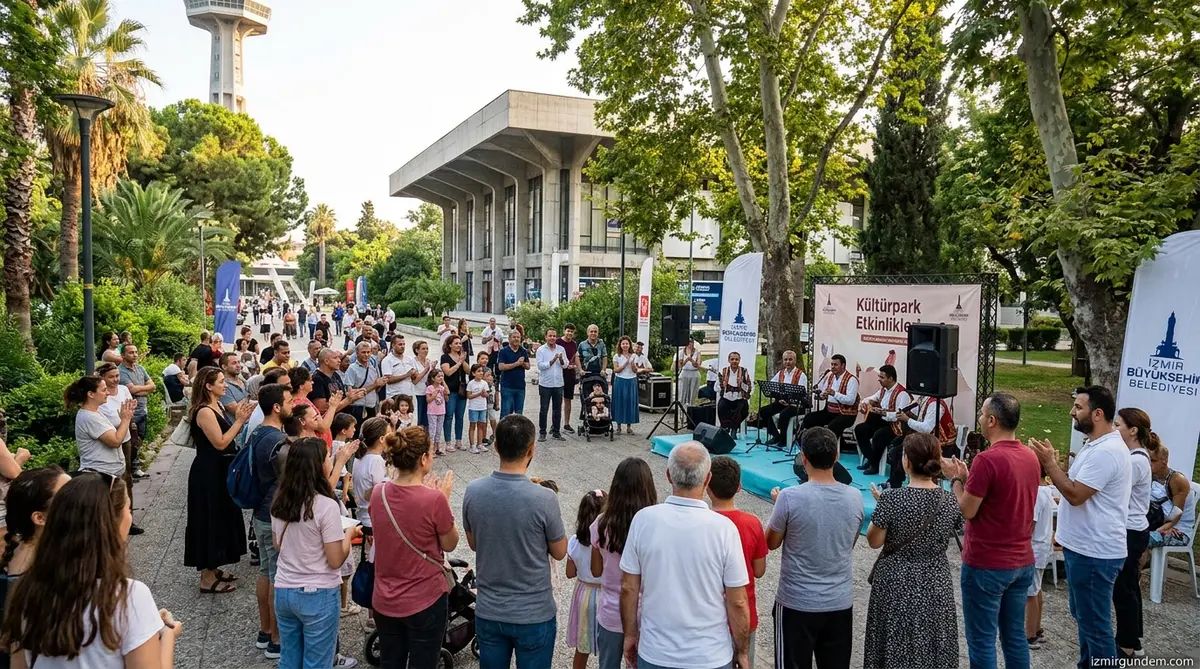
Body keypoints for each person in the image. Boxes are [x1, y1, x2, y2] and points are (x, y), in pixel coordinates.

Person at [1, 472, 183, 668]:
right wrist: (167, 635)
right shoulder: (129, 597)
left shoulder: (26, 593)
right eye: (128, 510)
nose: (131, 517)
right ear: (111, 525)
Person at [620, 442, 750, 669]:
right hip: (710, 655)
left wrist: (630, 634)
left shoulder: (643, 520)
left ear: (669, 476)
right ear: (707, 479)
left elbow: (628, 588)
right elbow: (737, 600)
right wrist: (742, 650)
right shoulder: (724, 528)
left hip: (656, 652)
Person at [1028, 385, 1131, 669]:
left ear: (1097, 414)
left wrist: (1049, 464)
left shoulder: (1107, 451)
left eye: (1078, 407)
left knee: (1095, 625)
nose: (1072, 411)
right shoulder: (1094, 445)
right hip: (1082, 547)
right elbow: (1075, 490)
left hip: (1095, 552)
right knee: (1084, 616)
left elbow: (1075, 495)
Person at [941, 392, 1039, 669]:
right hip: (1022, 560)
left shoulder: (987, 460)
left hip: (988, 562)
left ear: (993, 420)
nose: (980, 419)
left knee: (982, 640)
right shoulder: (1030, 457)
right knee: (1014, 637)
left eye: (983, 415)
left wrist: (957, 479)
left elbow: (967, 510)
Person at [462, 414, 566, 668]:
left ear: (495, 446)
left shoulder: (473, 491)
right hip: (534, 611)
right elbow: (560, 551)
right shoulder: (544, 498)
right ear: (532, 449)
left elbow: (474, 543)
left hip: (490, 608)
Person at [766, 426, 863, 669]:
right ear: (837, 457)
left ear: (803, 458)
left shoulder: (789, 497)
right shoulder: (855, 497)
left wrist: (780, 509)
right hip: (839, 602)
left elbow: (771, 542)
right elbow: (847, 544)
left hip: (797, 602)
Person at [863, 433, 963, 669]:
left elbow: (874, 541)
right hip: (935, 579)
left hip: (895, 578)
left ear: (906, 461)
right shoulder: (949, 501)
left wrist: (882, 508)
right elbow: (954, 525)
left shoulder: (892, 499)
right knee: (932, 639)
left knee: (893, 638)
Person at [271, 437, 363, 669]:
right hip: (317, 593)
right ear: (319, 466)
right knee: (318, 662)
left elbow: (278, 545)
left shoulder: (280, 501)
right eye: (327, 458)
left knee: (289, 659)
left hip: (284, 589)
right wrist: (349, 535)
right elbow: (334, 560)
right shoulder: (325, 506)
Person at [371, 426, 458, 669]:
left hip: (385, 596)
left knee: (390, 660)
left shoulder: (379, 493)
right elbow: (450, 544)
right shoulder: (434, 499)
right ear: (422, 459)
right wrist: (444, 499)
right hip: (424, 598)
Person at [185, 367, 253, 594]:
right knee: (208, 519)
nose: (226, 385)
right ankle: (206, 576)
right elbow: (220, 442)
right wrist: (240, 421)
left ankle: (213, 566)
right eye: (221, 382)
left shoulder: (219, 405)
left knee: (221, 517)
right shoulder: (204, 411)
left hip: (221, 468)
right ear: (208, 385)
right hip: (208, 472)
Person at [590, 458, 657, 669]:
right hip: (648, 612)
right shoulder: (655, 525)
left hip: (611, 610)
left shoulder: (601, 524)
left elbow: (595, 570)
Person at [707, 456, 768, 669]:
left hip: (708, 616)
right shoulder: (752, 523)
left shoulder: (701, 523)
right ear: (739, 487)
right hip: (744, 614)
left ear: (707, 486)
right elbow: (759, 570)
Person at [248, 383, 292, 660]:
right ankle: (276, 639)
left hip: (260, 514)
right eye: (288, 401)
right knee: (277, 576)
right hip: (275, 513)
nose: (292, 404)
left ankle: (265, 631)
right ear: (277, 407)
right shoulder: (278, 440)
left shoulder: (256, 432)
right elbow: (288, 481)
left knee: (266, 571)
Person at [1112, 407, 1156, 658]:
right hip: (1133, 529)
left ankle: (1127, 644)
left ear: (1133, 430)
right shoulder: (1136, 457)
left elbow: (1116, 490)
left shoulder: (1136, 460)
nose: (1115, 429)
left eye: (1118, 425)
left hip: (1130, 530)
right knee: (1130, 586)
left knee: (1123, 589)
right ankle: (1135, 638)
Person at [65, 376, 135, 520]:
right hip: (101, 476)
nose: (108, 392)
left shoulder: (96, 411)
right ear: (91, 394)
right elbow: (115, 441)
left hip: (109, 474)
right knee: (107, 520)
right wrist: (126, 419)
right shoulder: (89, 417)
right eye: (103, 390)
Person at [1, 466, 70, 584]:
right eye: (68, 497)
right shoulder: (41, 575)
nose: (80, 499)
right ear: (39, 518)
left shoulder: (18, 550)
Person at [879, 392, 956, 491]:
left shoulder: (935, 404)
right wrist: (885, 413)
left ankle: (902, 484)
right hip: (928, 440)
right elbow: (910, 412)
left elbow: (927, 428)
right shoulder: (923, 398)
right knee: (897, 448)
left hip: (942, 445)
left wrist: (907, 419)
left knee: (902, 451)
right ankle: (894, 483)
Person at [563, 489, 605, 669]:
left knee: (582, 645)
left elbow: (570, 573)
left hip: (584, 594)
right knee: (608, 646)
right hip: (605, 594)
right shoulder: (609, 542)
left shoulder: (574, 541)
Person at [95, 363, 138, 531]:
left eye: (117, 376)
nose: (115, 380)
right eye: (111, 377)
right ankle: (112, 520)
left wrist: (130, 423)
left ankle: (129, 517)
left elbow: (129, 412)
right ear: (102, 378)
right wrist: (124, 419)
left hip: (125, 437)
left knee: (126, 476)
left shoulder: (123, 390)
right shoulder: (101, 398)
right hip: (111, 438)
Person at [854, 365, 910, 475]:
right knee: (860, 429)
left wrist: (883, 412)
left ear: (891, 379)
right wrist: (865, 403)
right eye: (879, 376)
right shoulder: (883, 390)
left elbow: (899, 416)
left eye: (882, 377)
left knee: (879, 436)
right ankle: (871, 459)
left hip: (896, 427)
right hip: (882, 422)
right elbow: (870, 398)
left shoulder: (902, 394)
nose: (879, 379)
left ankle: (874, 466)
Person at [800, 354, 859, 450]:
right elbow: (824, 391)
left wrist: (834, 394)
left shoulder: (852, 380)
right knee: (809, 418)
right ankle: (813, 445)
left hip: (846, 414)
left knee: (832, 427)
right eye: (832, 364)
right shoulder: (830, 376)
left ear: (843, 366)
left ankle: (829, 450)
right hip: (830, 411)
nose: (832, 367)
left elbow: (851, 401)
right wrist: (823, 396)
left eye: (835, 365)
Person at [1025, 472, 1055, 651]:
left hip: (1034, 546)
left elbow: (1031, 524)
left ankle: (1030, 634)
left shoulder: (1036, 492)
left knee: (1030, 593)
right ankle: (1036, 628)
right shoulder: (1046, 490)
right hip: (1043, 545)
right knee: (1037, 590)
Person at [117, 345, 155, 481]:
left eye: (136, 352)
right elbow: (132, 390)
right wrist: (144, 390)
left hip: (143, 409)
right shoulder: (120, 371)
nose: (135, 354)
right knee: (131, 442)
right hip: (131, 413)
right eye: (131, 352)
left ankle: (136, 468)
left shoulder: (140, 368)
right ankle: (129, 471)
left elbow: (153, 386)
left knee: (139, 439)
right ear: (123, 355)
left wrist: (141, 390)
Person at [1148, 445, 1195, 549]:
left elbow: (1176, 513)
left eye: (1153, 461)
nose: (1149, 463)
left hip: (1179, 530)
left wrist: (1163, 529)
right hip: (1157, 524)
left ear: (1164, 461)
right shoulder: (1149, 475)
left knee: (1142, 540)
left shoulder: (1177, 480)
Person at [758, 350, 808, 447]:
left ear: (795, 361)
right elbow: (771, 386)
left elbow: (802, 394)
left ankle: (784, 439)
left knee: (784, 414)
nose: (787, 362)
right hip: (782, 403)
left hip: (796, 405)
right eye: (785, 360)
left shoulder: (801, 375)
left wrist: (790, 400)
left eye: (790, 359)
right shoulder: (780, 373)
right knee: (763, 411)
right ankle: (775, 435)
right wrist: (779, 397)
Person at [535, 328, 568, 441]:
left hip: (558, 383)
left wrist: (562, 360)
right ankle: (542, 432)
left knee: (557, 409)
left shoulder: (561, 349)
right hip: (545, 384)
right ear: (546, 337)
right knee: (544, 409)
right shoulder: (541, 350)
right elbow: (541, 366)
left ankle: (556, 431)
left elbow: (565, 365)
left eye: (554, 336)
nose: (552, 338)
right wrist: (553, 360)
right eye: (550, 336)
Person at [437, 335, 469, 450]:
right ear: (450, 345)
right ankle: (448, 441)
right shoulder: (445, 357)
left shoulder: (461, 357)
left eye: (460, 343)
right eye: (456, 343)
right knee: (449, 416)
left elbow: (469, 371)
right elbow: (448, 372)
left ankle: (459, 441)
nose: (459, 345)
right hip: (450, 390)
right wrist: (459, 363)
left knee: (460, 417)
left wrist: (462, 360)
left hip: (462, 390)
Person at [344, 341, 386, 429]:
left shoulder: (373, 367)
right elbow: (350, 392)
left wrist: (380, 384)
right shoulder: (352, 369)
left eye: (368, 352)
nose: (366, 355)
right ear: (357, 353)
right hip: (357, 407)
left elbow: (377, 389)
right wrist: (375, 385)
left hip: (372, 406)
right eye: (363, 352)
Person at [608, 336, 639, 435]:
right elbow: (616, 370)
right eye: (623, 344)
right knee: (619, 402)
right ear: (620, 345)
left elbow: (635, 370)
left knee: (630, 402)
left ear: (629, 344)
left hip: (631, 380)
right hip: (620, 380)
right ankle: (618, 426)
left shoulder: (634, 356)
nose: (625, 345)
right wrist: (626, 363)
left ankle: (629, 427)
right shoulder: (617, 356)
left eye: (627, 343)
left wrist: (633, 364)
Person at [498, 330, 531, 418]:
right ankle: (503, 432)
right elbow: (501, 367)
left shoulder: (523, 351)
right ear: (509, 339)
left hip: (520, 387)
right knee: (506, 412)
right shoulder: (503, 351)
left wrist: (522, 363)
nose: (516, 339)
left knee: (519, 414)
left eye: (518, 337)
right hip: (507, 386)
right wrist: (516, 364)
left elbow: (528, 366)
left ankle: (517, 432)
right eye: (514, 337)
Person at [716, 351, 752, 431]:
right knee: (721, 406)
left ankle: (734, 428)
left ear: (739, 360)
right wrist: (722, 385)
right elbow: (716, 387)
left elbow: (749, 387)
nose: (734, 361)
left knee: (743, 408)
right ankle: (725, 428)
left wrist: (741, 384)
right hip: (727, 398)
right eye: (732, 359)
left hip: (739, 398)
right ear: (729, 360)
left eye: (736, 359)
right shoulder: (724, 371)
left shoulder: (744, 371)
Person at [381, 335, 415, 403]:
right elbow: (388, 380)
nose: (402, 346)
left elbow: (413, 377)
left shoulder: (409, 359)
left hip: (408, 395)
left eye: (403, 344)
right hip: (395, 397)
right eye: (400, 344)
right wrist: (406, 375)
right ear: (393, 345)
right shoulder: (387, 360)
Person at [559, 324, 580, 434]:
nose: (570, 333)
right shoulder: (558, 342)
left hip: (569, 374)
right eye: (568, 331)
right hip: (558, 374)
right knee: (557, 400)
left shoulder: (574, 344)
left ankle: (566, 423)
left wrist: (579, 368)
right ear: (564, 331)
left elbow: (576, 357)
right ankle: (555, 424)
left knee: (568, 400)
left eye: (572, 331)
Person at [466, 364, 491, 454]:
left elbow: (487, 394)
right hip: (473, 407)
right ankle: (472, 445)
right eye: (478, 371)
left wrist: (484, 394)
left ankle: (479, 443)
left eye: (481, 371)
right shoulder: (471, 383)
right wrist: (479, 394)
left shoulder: (484, 383)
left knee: (481, 425)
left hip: (482, 407)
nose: (481, 373)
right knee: (472, 425)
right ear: (473, 373)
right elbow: (469, 396)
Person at [425, 370, 449, 456]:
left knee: (439, 430)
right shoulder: (429, 388)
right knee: (432, 430)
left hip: (441, 411)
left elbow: (447, 398)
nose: (441, 378)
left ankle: (437, 447)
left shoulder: (442, 388)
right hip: (432, 412)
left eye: (442, 376)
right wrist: (433, 395)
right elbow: (428, 400)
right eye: (438, 376)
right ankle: (430, 449)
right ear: (433, 378)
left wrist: (444, 387)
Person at [675, 339, 703, 406]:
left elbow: (698, 365)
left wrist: (692, 360)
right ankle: (681, 407)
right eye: (690, 343)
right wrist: (687, 359)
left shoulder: (697, 352)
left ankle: (691, 406)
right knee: (683, 392)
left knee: (692, 392)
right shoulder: (681, 352)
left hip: (694, 373)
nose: (691, 345)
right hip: (685, 373)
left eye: (692, 343)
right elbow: (680, 365)